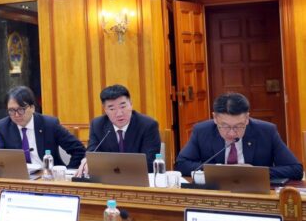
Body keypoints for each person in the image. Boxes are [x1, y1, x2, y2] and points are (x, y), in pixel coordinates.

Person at [175, 92, 303, 180]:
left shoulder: (267, 131)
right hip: (216, 193)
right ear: (215, 118)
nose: (231, 133)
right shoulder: (202, 131)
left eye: (238, 126)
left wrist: (253, 172)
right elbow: (181, 164)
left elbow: (296, 169)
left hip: (255, 193)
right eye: (225, 126)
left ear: (247, 118)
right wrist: (221, 170)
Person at [77, 84, 161, 176]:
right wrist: (87, 161)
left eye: (123, 106)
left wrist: (109, 167)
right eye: (112, 109)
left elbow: (149, 163)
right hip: (107, 180)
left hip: (138, 179)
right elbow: (92, 153)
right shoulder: (97, 125)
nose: (119, 114)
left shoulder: (148, 125)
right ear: (105, 110)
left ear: (131, 104)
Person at [0, 86, 86, 168]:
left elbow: (79, 150)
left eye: (21, 109)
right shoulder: (3, 126)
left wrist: (67, 172)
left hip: (48, 176)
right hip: (18, 178)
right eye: (11, 110)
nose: (16, 115)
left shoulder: (50, 124)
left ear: (32, 108)